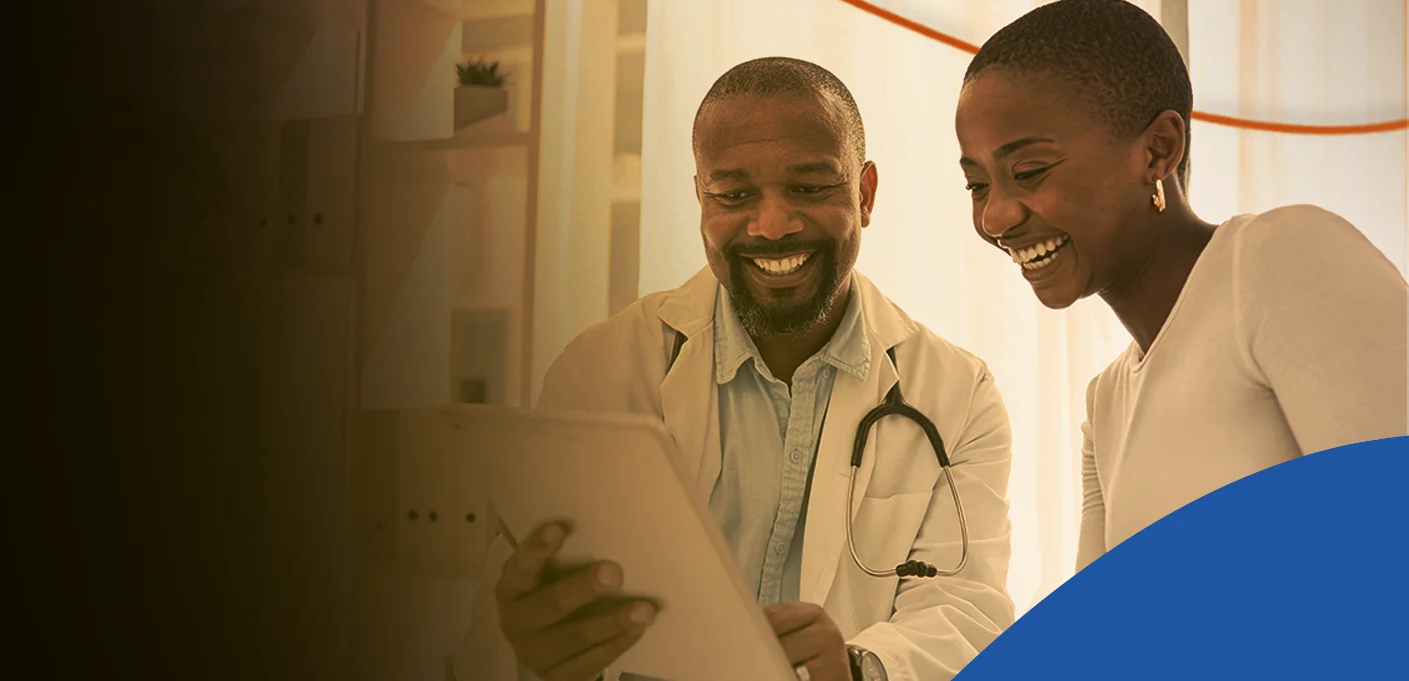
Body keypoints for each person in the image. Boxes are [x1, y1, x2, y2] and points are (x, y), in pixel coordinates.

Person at [453, 57, 1016, 681]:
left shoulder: (958, 394)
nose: (772, 224)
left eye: (810, 186)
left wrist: (859, 669)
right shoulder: (600, 373)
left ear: (864, 194)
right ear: (700, 197)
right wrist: (526, 647)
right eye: (733, 194)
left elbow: (965, 607)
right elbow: (503, 616)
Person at [952, 0, 1409, 572]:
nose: (995, 217)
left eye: (1029, 171)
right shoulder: (1107, 404)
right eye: (975, 185)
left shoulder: (1279, 260)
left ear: (1158, 150)